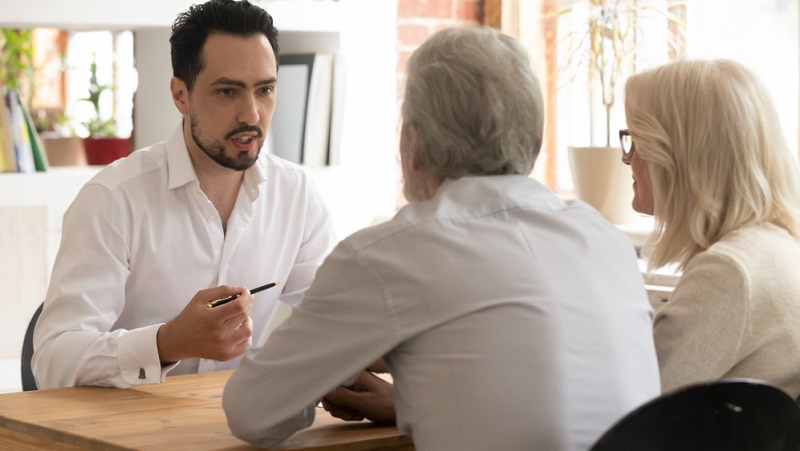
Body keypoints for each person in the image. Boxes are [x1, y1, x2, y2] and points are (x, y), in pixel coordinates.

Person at [222, 26, 660, 450]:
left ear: (413, 143)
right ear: (534, 135)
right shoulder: (606, 240)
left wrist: (326, 374)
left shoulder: (389, 254)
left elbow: (251, 410)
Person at [32, 0, 335, 389]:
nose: (252, 114)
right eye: (227, 92)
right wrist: (167, 343)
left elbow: (334, 320)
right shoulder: (113, 200)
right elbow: (53, 361)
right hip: (128, 435)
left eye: (265, 90)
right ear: (180, 96)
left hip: (240, 428)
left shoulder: (297, 194)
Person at [620, 58, 800, 397]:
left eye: (636, 140)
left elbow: (637, 404)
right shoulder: (774, 247)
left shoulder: (728, 272)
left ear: (679, 155)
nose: (627, 159)